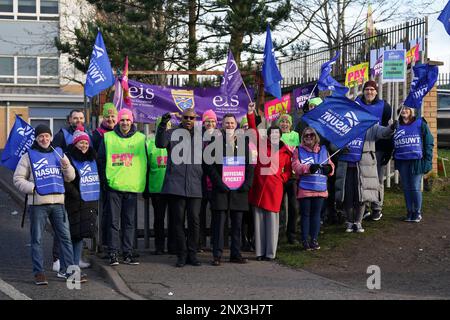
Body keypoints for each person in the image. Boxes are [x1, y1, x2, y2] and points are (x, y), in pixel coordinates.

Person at [13, 124, 79, 285]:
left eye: (47, 136)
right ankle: (39, 273)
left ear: (50, 137)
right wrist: (33, 188)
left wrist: (67, 165)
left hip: (58, 203)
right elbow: (17, 179)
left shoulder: (59, 154)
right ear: (36, 138)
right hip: (38, 204)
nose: (44, 138)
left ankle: (69, 272)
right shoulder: (28, 156)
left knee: (66, 239)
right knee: (37, 239)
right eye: (41, 136)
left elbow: (70, 177)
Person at [98, 108, 147, 266]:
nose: (125, 122)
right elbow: (100, 161)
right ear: (118, 121)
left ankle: (128, 252)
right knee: (113, 222)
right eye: (122, 119)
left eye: (128, 120)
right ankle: (113, 253)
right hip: (114, 186)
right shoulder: (108, 137)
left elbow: (145, 161)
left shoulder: (141, 138)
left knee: (129, 223)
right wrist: (105, 181)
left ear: (132, 121)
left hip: (131, 186)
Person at [156, 108, 204, 267]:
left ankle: (192, 253)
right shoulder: (172, 132)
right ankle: (181, 254)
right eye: (186, 117)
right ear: (181, 118)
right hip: (176, 184)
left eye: (192, 117)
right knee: (177, 221)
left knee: (194, 221)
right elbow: (160, 143)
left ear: (195, 119)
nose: (189, 120)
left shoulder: (201, 135)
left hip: (195, 184)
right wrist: (163, 123)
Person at [206, 114, 254, 266]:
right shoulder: (215, 142)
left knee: (237, 225)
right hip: (221, 190)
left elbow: (249, 166)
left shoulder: (243, 142)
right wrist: (219, 183)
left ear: (236, 125)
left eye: (232, 123)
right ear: (222, 124)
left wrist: (246, 185)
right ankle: (217, 255)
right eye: (227, 123)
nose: (229, 126)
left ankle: (235, 253)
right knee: (219, 225)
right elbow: (209, 166)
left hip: (239, 191)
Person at [247, 103, 293, 261]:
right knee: (259, 221)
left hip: (274, 189)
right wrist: (251, 113)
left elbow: (288, 170)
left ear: (280, 136)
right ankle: (259, 252)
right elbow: (253, 130)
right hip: (259, 187)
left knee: (272, 221)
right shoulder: (261, 145)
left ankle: (270, 253)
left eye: (276, 134)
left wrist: (282, 178)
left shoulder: (286, 152)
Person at [335, 120, 396, 233]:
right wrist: (340, 148)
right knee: (347, 195)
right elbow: (333, 145)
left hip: (364, 167)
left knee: (361, 195)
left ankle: (358, 222)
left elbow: (383, 133)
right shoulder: (341, 128)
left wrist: (391, 127)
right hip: (346, 167)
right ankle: (349, 222)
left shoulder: (369, 126)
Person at [355, 80, 393, 221]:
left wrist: (388, 151)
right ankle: (364, 207)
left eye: (372, 89)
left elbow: (388, 130)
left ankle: (377, 207)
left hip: (379, 148)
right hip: (360, 147)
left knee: (377, 179)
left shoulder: (385, 107)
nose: (369, 92)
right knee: (362, 179)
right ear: (363, 91)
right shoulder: (356, 104)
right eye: (367, 89)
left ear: (376, 92)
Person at [292, 127, 334, 250]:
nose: (309, 137)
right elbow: (295, 166)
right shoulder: (298, 150)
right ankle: (305, 240)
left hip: (320, 188)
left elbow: (331, 164)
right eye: (306, 135)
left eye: (311, 135)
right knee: (305, 215)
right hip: (305, 188)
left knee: (316, 215)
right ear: (302, 138)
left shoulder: (323, 150)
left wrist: (330, 169)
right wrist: (308, 168)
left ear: (316, 136)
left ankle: (314, 239)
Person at [64, 126, 99, 270]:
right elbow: (65, 180)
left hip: (89, 200)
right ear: (75, 144)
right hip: (74, 201)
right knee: (71, 234)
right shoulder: (69, 158)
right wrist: (75, 193)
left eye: (86, 143)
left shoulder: (92, 158)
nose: (84, 145)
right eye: (80, 143)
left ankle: (77, 260)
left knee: (80, 234)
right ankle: (68, 262)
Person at [394, 106, 434, 222]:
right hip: (402, 161)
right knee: (406, 188)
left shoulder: (420, 124)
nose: (404, 111)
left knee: (415, 188)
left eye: (407, 109)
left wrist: (428, 160)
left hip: (416, 161)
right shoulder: (396, 126)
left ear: (412, 111)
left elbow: (429, 142)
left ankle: (417, 213)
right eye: (402, 109)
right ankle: (409, 212)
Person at [144, 117, 175, 255]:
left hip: (173, 186)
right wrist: (145, 188)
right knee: (158, 219)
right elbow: (145, 167)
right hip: (157, 187)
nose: (166, 128)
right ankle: (159, 246)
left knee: (174, 219)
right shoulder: (150, 142)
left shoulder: (176, 141)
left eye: (169, 125)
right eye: (164, 126)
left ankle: (173, 246)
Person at [91, 102, 118, 254]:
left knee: (116, 215)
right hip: (104, 178)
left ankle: (114, 242)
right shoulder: (97, 134)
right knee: (105, 212)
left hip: (119, 178)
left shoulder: (120, 133)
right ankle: (105, 243)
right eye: (107, 116)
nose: (110, 119)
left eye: (113, 116)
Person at [277, 114, 300, 244]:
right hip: (279, 176)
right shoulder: (276, 135)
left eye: (287, 122)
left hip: (292, 176)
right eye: (282, 122)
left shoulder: (296, 135)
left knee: (294, 206)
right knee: (280, 207)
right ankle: (279, 234)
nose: (284, 124)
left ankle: (291, 234)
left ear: (291, 124)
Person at [199, 109, 218, 251]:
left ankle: (214, 242)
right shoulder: (198, 138)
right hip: (200, 182)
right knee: (199, 214)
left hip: (215, 182)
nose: (210, 123)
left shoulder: (220, 137)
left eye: (212, 121)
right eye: (207, 121)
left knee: (215, 213)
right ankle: (200, 242)